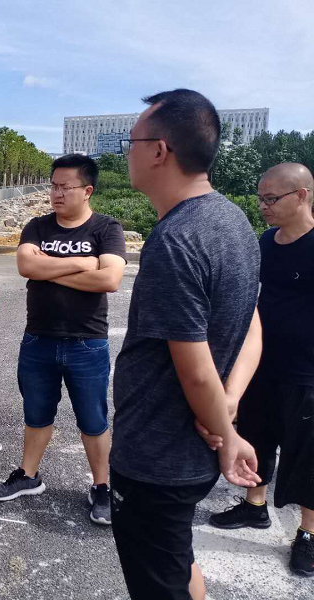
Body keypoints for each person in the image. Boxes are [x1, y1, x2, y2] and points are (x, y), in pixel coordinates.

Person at [109, 89, 263, 600]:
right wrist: (229, 403)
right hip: (190, 449)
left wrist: (227, 434)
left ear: (159, 150)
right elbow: (252, 325)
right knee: (177, 555)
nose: (126, 153)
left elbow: (195, 369)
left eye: (131, 142)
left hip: (158, 457)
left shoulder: (177, 240)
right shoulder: (235, 222)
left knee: (160, 580)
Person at [0, 154, 126, 527]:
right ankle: (28, 475)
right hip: (39, 340)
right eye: (53, 186)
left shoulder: (106, 228)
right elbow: (25, 266)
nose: (56, 193)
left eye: (65, 187)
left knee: (93, 419)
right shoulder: (37, 226)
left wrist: (48, 269)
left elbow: (109, 279)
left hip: (87, 342)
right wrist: (84, 263)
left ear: (87, 190)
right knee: (36, 414)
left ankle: (101, 486)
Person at [206, 162, 314, 577]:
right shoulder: (266, 242)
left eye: (272, 198)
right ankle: (254, 505)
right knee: (256, 437)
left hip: (306, 371)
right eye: (261, 198)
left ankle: (308, 532)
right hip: (261, 363)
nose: (263, 206)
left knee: (307, 454)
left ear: (301, 196)